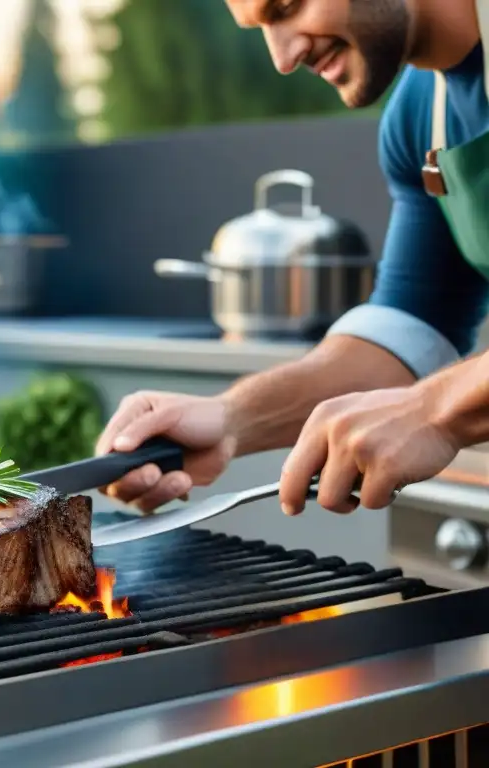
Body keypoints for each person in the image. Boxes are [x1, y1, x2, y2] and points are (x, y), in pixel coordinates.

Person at [98, 0, 489, 518]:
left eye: (286, 6)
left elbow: (428, 393)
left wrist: (437, 410)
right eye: (260, 27)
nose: (282, 57)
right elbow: (411, 329)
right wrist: (232, 417)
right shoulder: (420, 117)